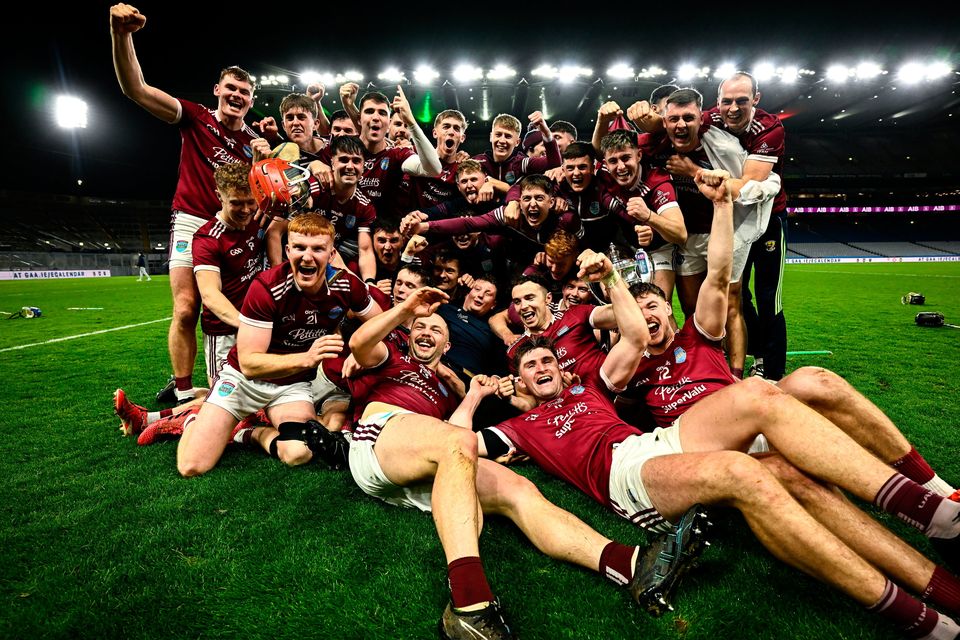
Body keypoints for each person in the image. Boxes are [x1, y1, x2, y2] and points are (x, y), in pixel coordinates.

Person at [478, 171, 960, 639]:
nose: (540, 368)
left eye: (654, 309)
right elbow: (465, 441)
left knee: (796, 394)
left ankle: (937, 536)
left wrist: (712, 215)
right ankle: (915, 607)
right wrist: (477, 394)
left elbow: (714, 277)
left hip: (693, 434)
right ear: (516, 377)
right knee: (748, 461)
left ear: (667, 310)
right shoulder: (525, 422)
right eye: (529, 366)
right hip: (656, 464)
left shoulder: (599, 383)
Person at [345, 284, 709, 638]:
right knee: (457, 442)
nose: (426, 332)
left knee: (519, 490)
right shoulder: (394, 358)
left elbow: (461, 442)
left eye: (436, 329)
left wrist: (470, 395)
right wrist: (407, 310)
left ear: (448, 344)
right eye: (421, 328)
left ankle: (629, 564)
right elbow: (360, 344)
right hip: (382, 433)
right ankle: (469, 605)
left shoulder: (449, 383)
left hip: (421, 457)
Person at [110, 3, 258, 404]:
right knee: (187, 305)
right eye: (231, 88)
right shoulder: (195, 117)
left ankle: (236, 377)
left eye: (245, 92)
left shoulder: (254, 143)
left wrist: (265, 156)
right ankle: (182, 389)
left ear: (250, 100)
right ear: (217, 91)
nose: (237, 96)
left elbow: (270, 193)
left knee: (237, 303)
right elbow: (135, 89)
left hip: (234, 226)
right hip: (193, 221)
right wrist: (121, 35)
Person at [176, 213, 381, 477]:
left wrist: (363, 349)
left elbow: (378, 323)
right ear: (288, 250)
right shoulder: (267, 287)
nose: (308, 257)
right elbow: (250, 364)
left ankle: (250, 433)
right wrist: (306, 359)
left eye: (318, 249)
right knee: (192, 466)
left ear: (331, 255)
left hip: (291, 388)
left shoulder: (346, 284)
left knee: (299, 453)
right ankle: (194, 418)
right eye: (299, 248)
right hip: (242, 382)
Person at [708, 72, 788, 380]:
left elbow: (747, 185)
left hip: (768, 221)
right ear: (717, 102)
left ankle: (775, 374)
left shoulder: (770, 128)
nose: (733, 108)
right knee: (737, 298)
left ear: (756, 99)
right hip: (734, 223)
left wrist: (693, 171)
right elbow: (677, 125)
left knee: (769, 299)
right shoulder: (709, 118)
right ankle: (755, 355)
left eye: (742, 100)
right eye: (726, 101)